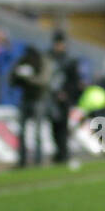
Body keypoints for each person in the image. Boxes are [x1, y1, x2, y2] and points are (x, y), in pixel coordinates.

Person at [43, 33, 80, 164]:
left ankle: (63, 153)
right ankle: (59, 152)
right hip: (51, 98)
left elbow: (74, 82)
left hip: (64, 100)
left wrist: (66, 94)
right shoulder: (48, 58)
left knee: (63, 127)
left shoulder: (69, 61)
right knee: (53, 127)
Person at [10, 44, 46, 167]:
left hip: (36, 99)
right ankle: (23, 159)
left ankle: (37, 159)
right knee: (25, 131)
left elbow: (42, 81)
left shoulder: (40, 63)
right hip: (27, 99)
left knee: (36, 131)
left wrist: (28, 78)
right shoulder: (23, 63)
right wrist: (19, 76)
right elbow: (12, 80)